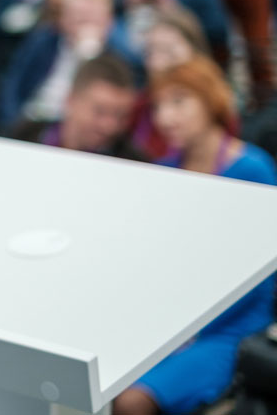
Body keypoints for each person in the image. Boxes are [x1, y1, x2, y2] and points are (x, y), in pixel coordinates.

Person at [114, 56, 276, 415]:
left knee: (132, 400)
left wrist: (182, 328)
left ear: (210, 100)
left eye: (179, 101)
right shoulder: (164, 172)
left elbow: (261, 281)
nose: (164, 117)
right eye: (158, 105)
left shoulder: (253, 171)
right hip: (166, 324)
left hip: (231, 328)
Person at [0, 0, 138, 126]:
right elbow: (12, 87)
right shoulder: (44, 41)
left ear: (108, 22)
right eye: (78, 17)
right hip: (32, 123)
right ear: (63, 18)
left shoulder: (119, 57)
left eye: (92, 18)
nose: (84, 25)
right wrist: (14, 125)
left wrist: (91, 57)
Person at [11, 53, 146, 161]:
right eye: (100, 111)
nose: (109, 126)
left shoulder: (133, 164)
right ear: (70, 101)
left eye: (121, 116)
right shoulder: (20, 139)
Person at [129, 7, 213, 161]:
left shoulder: (213, 107)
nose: (156, 64)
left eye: (168, 51)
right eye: (150, 52)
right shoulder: (139, 106)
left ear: (195, 52)